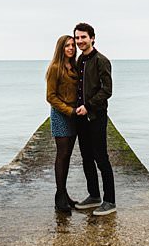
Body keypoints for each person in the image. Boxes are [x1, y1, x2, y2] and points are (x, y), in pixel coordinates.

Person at [72, 22, 116, 215]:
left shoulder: (101, 60)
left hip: (96, 116)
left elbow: (107, 90)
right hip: (80, 118)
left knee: (101, 158)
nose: (80, 41)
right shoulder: (79, 60)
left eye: (83, 37)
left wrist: (88, 106)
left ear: (92, 38)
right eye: (77, 38)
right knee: (86, 158)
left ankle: (109, 201)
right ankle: (94, 196)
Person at [45, 34, 79, 213]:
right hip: (61, 115)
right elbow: (50, 97)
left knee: (68, 157)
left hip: (74, 116)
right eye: (67, 46)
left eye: (73, 45)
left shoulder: (74, 66)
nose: (71, 48)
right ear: (61, 48)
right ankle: (59, 196)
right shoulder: (55, 68)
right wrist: (68, 110)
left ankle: (65, 194)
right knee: (62, 155)